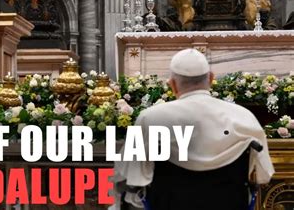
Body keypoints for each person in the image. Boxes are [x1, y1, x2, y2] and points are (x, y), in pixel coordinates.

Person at [110, 48, 274, 210]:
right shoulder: (244, 117)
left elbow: (128, 176)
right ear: (211, 79)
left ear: (172, 84)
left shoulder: (150, 118)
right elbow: (263, 175)